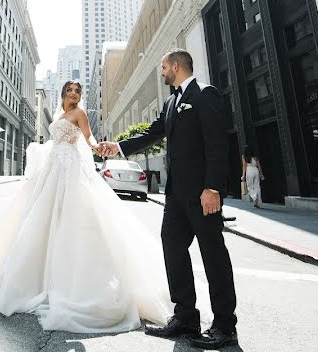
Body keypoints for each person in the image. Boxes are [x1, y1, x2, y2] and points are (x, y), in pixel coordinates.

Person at [0, 80, 172, 333]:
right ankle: (37, 280)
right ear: (63, 94)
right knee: (42, 220)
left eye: (77, 91)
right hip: (53, 168)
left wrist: (97, 147)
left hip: (69, 168)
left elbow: (88, 137)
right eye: (70, 91)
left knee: (71, 218)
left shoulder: (79, 113)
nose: (74, 94)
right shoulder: (61, 114)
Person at [100, 49, 238, 349]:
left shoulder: (205, 94)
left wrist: (213, 187)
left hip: (203, 194)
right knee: (172, 248)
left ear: (175, 66)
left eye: (163, 67)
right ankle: (186, 317)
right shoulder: (171, 101)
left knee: (213, 256)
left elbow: (218, 143)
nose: (161, 73)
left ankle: (225, 326)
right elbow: (153, 132)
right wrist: (118, 147)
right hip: (175, 195)